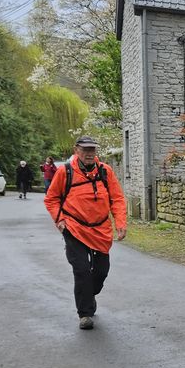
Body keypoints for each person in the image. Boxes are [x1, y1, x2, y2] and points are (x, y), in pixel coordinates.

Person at [44, 135, 127, 330]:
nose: (89, 153)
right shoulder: (65, 172)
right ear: (76, 150)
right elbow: (51, 199)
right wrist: (60, 219)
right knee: (81, 270)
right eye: (85, 150)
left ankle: (89, 294)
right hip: (74, 228)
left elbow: (117, 199)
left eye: (92, 150)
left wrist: (120, 222)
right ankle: (85, 314)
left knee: (101, 272)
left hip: (101, 229)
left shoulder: (105, 171)